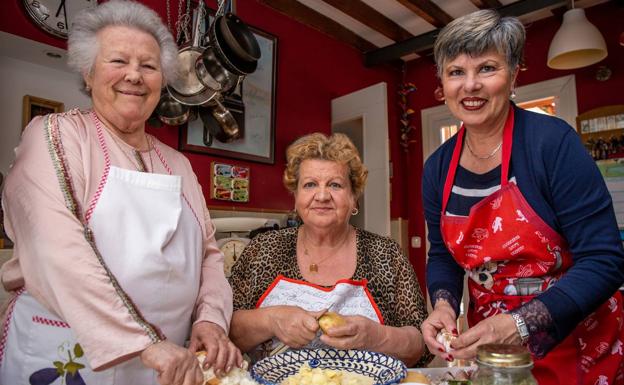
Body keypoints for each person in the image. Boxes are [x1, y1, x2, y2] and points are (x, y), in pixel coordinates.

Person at [0, 1, 241, 384]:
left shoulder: (178, 164)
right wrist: (143, 341)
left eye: (148, 66)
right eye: (117, 61)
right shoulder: (55, 136)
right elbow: (55, 247)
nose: (134, 75)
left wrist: (211, 318)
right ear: (88, 71)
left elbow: (209, 256)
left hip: (169, 362)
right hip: (72, 352)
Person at [421, 9, 624, 384]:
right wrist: (445, 304)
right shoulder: (437, 168)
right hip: (494, 352)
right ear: (442, 84)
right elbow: (443, 257)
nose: (470, 86)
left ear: (513, 75)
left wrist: (520, 322)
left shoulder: (552, 143)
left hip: (578, 341)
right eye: (456, 72)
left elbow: (604, 259)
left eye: (486, 68)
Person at [228, 133, 431, 367]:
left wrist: (374, 336)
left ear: (354, 198)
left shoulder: (385, 254)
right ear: (295, 197)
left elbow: (421, 345)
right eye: (310, 184)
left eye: (335, 185)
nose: (322, 196)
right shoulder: (263, 250)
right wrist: (270, 320)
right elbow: (224, 330)